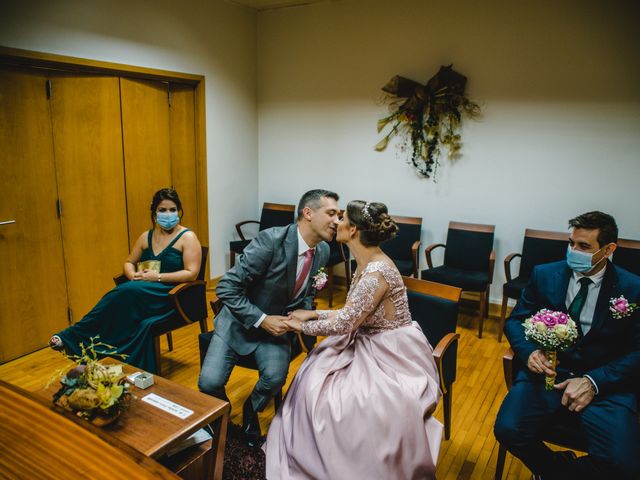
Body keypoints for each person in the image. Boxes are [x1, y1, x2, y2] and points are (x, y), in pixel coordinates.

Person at [264, 200, 443, 479]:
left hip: (390, 351)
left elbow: (346, 322)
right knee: (313, 375)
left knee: (345, 403)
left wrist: (300, 325)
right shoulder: (364, 262)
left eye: (342, 218)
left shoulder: (376, 273)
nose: (337, 222)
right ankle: (311, 447)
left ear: (354, 230)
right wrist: (312, 314)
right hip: (365, 337)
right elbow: (351, 314)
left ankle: (347, 463)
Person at [494, 211, 640, 479]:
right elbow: (516, 321)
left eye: (584, 246)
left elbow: (637, 351)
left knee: (625, 465)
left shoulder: (632, 289)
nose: (574, 251)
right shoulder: (544, 274)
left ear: (608, 249)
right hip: (548, 375)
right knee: (507, 431)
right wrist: (530, 353)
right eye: (571, 243)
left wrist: (593, 382)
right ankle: (555, 469)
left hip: (603, 383)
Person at [198, 189, 340, 446]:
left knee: (274, 379)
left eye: (339, 216)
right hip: (238, 324)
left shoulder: (322, 252)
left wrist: (302, 320)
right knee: (208, 383)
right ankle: (224, 415)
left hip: (277, 331)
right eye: (331, 213)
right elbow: (226, 287)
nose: (337, 221)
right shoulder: (270, 241)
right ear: (308, 213)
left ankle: (252, 410)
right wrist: (262, 319)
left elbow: (307, 293)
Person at [49, 188, 202, 373]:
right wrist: (132, 275)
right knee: (121, 301)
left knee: (124, 293)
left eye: (172, 209)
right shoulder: (146, 236)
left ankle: (72, 337)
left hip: (170, 296)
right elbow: (129, 262)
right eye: (162, 210)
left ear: (179, 210)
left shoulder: (188, 237)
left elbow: (192, 273)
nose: (168, 214)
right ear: (154, 212)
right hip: (142, 292)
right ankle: (91, 348)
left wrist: (157, 277)